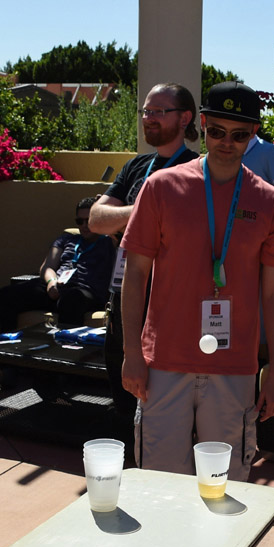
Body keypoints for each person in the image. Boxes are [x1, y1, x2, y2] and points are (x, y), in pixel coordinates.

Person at [119, 81, 274, 475]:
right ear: (202, 125)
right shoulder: (161, 187)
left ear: (254, 133)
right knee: (161, 485)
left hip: (234, 366)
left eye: (239, 135)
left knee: (225, 485)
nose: (226, 143)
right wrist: (132, 352)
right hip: (164, 362)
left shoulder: (272, 203)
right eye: (216, 131)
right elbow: (136, 273)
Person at [89, 83, 201, 418]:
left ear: (185, 118)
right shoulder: (135, 166)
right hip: (123, 301)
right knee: (124, 406)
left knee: (165, 412)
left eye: (159, 111)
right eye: (146, 111)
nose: (148, 118)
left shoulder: (197, 171)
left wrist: (124, 217)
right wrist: (147, 211)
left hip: (168, 309)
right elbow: (96, 219)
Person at [0, 194, 115, 332]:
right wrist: (51, 282)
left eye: (89, 220)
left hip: (85, 291)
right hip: (57, 286)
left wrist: (106, 210)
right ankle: (7, 341)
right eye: (80, 221)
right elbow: (48, 266)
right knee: (5, 294)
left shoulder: (109, 241)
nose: (84, 226)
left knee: (72, 299)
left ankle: (65, 343)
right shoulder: (67, 239)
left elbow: (123, 228)